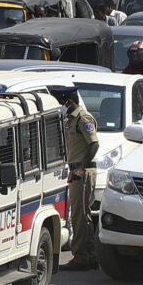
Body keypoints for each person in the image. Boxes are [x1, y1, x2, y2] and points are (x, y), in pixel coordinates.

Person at [56, 85, 100, 271]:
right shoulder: (70, 119)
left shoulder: (83, 118)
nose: (60, 105)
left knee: (79, 215)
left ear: (69, 102)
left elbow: (94, 144)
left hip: (82, 172)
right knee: (82, 215)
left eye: (61, 102)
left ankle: (82, 257)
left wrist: (81, 168)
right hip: (76, 170)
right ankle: (89, 255)